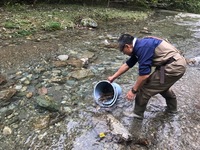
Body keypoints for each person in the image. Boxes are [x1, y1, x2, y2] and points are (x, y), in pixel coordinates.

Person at [107, 34, 187, 119]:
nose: (124, 54)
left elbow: (144, 76)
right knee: (161, 86)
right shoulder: (139, 45)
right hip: (173, 64)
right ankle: (172, 110)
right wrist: (113, 77)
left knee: (144, 88)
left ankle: (137, 114)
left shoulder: (142, 48)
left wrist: (133, 91)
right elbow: (128, 64)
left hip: (173, 66)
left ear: (127, 46)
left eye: (123, 52)